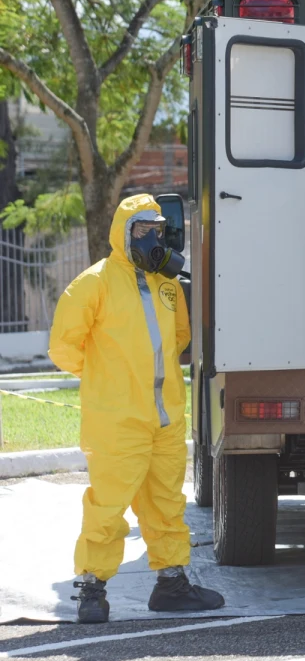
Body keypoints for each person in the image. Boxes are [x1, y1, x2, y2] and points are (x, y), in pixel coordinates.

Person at [49, 194, 224, 623]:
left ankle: (171, 585)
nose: (152, 238)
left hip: (165, 419)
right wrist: (106, 379)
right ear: (123, 233)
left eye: (157, 230)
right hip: (116, 420)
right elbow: (63, 348)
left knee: (167, 503)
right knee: (108, 507)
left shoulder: (167, 284)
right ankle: (92, 590)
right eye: (143, 229)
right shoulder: (93, 283)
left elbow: (178, 339)